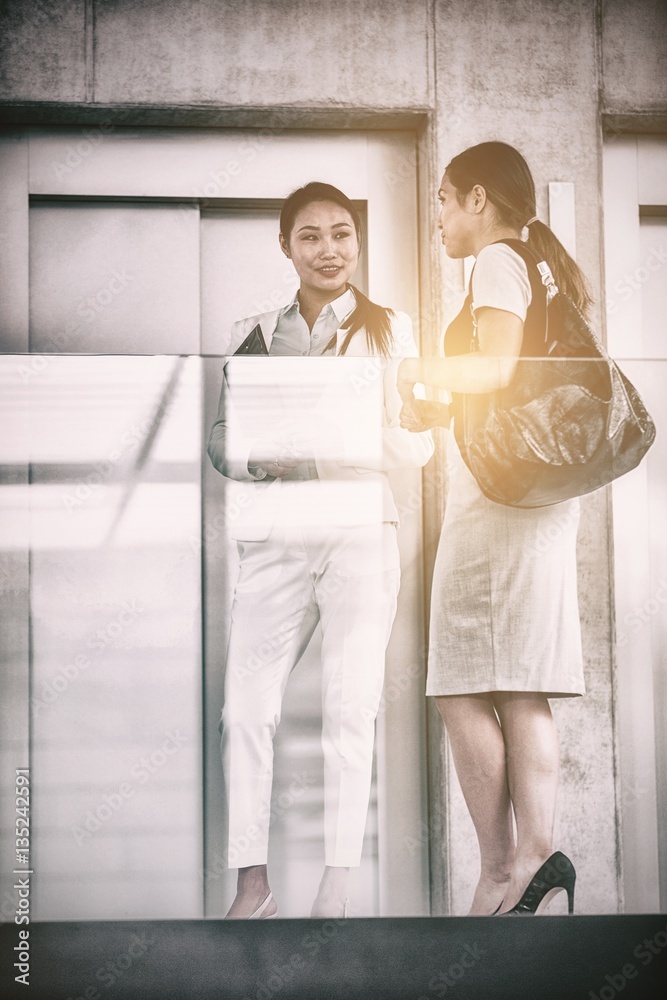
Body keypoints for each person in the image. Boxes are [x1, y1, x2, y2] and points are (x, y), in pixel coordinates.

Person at [208, 181, 434, 919]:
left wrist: (322, 449)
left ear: (356, 243)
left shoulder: (391, 329)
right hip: (275, 533)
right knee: (243, 709)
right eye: (310, 236)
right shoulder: (253, 332)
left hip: (358, 526)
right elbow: (220, 441)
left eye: (341, 234)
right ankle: (251, 884)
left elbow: (419, 443)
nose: (328, 249)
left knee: (349, 704)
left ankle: (337, 883)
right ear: (286, 246)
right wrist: (256, 460)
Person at [397, 142, 588, 916]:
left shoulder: (497, 261)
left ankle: (505, 867)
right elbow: (504, 385)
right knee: (519, 682)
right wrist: (443, 404)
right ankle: (535, 857)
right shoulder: (542, 265)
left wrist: (413, 372)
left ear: (478, 199)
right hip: (539, 493)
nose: (439, 216)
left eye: (443, 199)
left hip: (498, 501)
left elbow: (498, 368)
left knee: (460, 679)